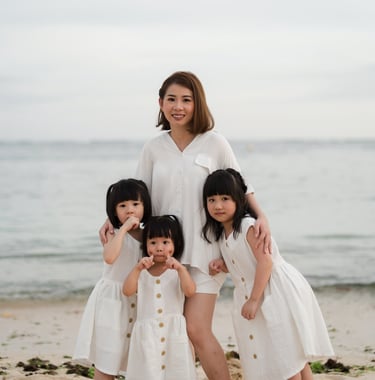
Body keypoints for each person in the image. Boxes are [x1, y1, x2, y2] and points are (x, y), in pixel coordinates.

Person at [100, 71, 271, 380]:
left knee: (196, 329)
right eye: (172, 99)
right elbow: (138, 193)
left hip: (206, 254)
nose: (178, 106)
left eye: (186, 100)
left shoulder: (214, 143)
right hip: (163, 255)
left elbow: (241, 186)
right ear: (161, 103)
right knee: (172, 333)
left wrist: (262, 217)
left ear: (197, 104)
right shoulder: (153, 148)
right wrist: (111, 220)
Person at [203, 168, 335, 380]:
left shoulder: (247, 226)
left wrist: (254, 300)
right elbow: (244, 262)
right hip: (257, 290)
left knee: (285, 355)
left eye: (225, 198)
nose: (218, 205)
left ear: (238, 199)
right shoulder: (223, 234)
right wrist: (223, 265)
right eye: (212, 199)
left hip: (275, 291)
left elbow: (265, 262)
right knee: (288, 355)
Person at [74, 179, 152, 380]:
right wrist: (124, 229)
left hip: (137, 300)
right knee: (107, 357)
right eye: (122, 206)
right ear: (113, 210)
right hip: (112, 302)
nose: (130, 210)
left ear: (145, 206)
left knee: (133, 356)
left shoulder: (148, 236)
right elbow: (109, 257)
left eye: (136, 204)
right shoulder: (113, 233)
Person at [123, 215, 197, 380]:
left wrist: (181, 270)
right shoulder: (141, 271)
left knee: (176, 369)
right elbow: (127, 291)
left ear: (175, 244)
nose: (159, 248)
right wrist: (136, 269)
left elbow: (190, 291)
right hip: (147, 333)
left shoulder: (177, 270)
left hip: (173, 331)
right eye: (153, 242)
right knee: (149, 370)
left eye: (165, 242)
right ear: (146, 245)